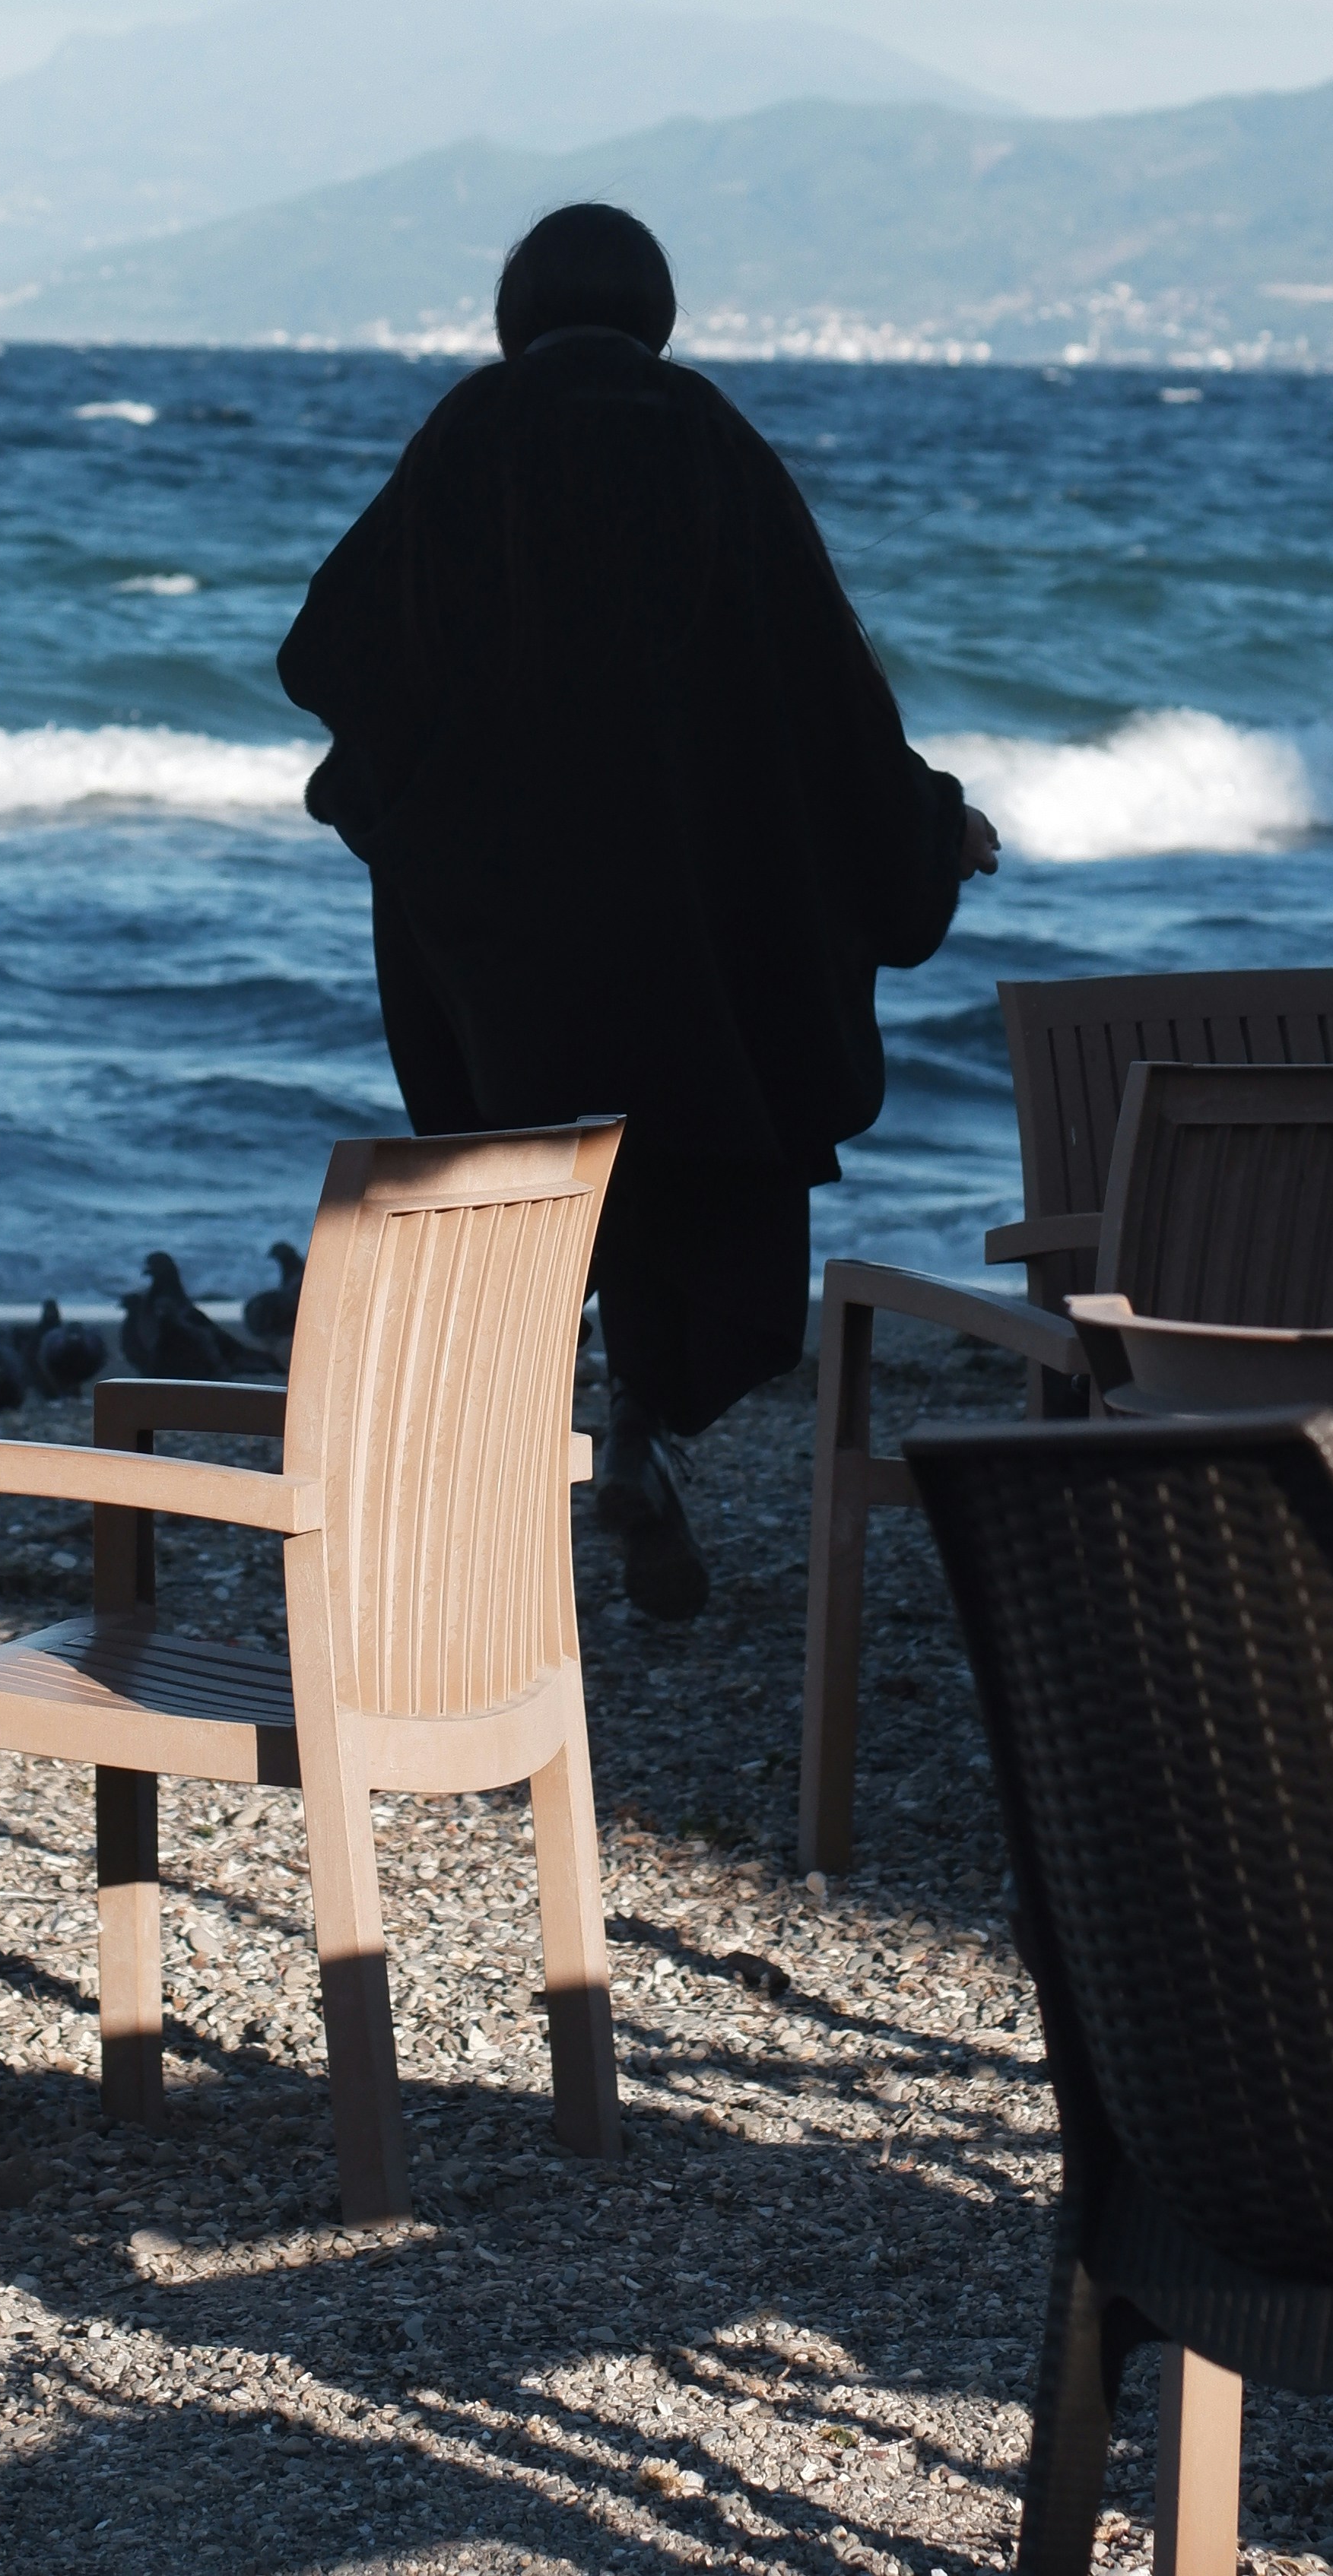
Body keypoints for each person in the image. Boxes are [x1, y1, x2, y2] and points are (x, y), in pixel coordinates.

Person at [277, 198, 995, 1617]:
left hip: (502, 924)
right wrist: (926, 825)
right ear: (657, 307)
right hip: (693, 925)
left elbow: (334, 649)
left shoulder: (471, 433)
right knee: (688, 1167)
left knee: (518, 1178)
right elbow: (822, 694)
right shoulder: (709, 440)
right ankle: (638, 1433)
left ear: (515, 307)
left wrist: (409, 799)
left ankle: (480, 1540)